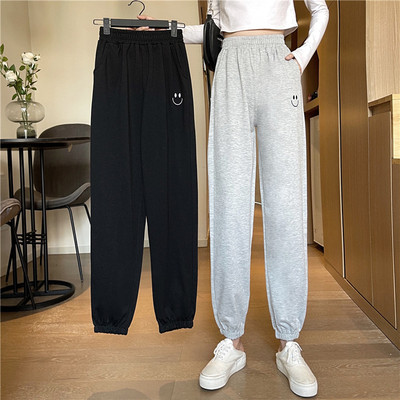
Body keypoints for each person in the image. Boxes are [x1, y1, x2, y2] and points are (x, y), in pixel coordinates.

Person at [139, 0, 329, 397]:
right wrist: (167, 29)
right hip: (230, 65)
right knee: (228, 207)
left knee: (287, 208)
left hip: (279, 63)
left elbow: (320, 9)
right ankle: (232, 341)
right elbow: (212, 29)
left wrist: (302, 55)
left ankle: (289, 342)